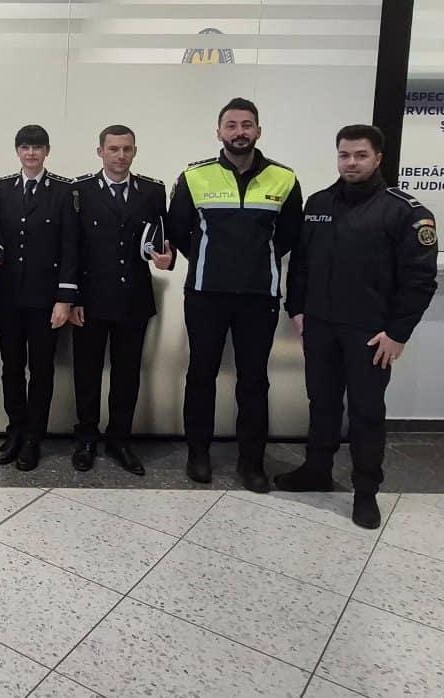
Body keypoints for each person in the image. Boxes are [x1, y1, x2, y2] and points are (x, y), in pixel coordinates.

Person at [279, 124, 437, 529]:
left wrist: (398, 333)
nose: (351, 163)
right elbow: (301, 264)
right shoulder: (318, 203)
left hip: (370, 334)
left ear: (378, 158)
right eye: (344, 155)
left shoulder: (405, 211)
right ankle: (316, 470)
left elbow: (420, 280)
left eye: (360, 155)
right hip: (320, 326)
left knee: (366, 412)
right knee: (322, 404)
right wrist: (297, 309)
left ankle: (365, 492)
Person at [167, 97, 302, 492]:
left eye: (246, 125)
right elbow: (179, 230)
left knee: (254, 381)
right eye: (231, 125)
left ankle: (251, 462)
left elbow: (290, 235)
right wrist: (211, 261)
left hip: (259, 297)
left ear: (258, 130)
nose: (239, 132)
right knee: (201, 375)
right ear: (219, 132)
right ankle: (198, 454)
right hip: (206, 295)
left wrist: (254, 262)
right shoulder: (194, 177)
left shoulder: (284, 178)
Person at [70, 124, 171, 475]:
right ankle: (86, 438)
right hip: (90, 299)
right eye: (113, 149)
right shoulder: (80, 190)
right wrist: (73, 298)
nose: (120, 155)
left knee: (127, 375)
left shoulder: (152, 191)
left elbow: (164, 241)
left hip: (133, 298)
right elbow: (72, 248)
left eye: (127, 149)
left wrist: (166, 259)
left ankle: (119, 440)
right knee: (87, 373)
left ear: (135, 151)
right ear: (100, 152)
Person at [0, 124, 76, 472]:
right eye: (25, 147)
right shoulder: (3, 188)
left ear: (47, 151)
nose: (31, 153)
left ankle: (34, 437)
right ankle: (15, 431)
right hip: (8, 296)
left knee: (41, 370)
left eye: (37, 147)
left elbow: (70, 247)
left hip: (46, 299)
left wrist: (65, 298)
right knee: (11, 368)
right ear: (17, 151)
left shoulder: (63, 191)